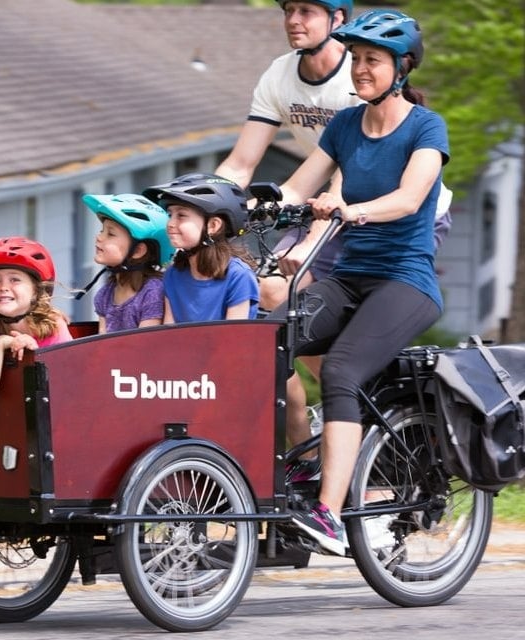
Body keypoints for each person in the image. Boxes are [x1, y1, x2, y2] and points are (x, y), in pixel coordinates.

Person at [215, 0, 452, 480]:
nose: (294, 20)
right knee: (267, 323)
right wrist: (215, 209)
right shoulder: (302, 90)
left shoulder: (395, 106)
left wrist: (323, 231)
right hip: (339, 219)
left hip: (393, 228)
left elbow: (376, 191)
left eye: (308, 10)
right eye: (289, 10)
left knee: (338, 355)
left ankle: (363, 434)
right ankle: (308, 450)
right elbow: (281, 181)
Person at [266, 8, 448, 556]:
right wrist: (248, 205)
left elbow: (410, 199)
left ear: (402, 68)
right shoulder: (345, 125)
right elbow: (297, 186)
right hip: (349, 276)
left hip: (405, 280)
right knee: (264, 343)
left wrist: (353, 210)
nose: (361, 69)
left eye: (374, 60)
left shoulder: (425, 127)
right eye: (358, 59)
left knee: (341, 369)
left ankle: (329, 513)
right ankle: (299, 467)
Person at [0, 236, 72, 404]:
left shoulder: (53, 325)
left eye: (15, 279)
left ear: (36, 290)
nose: (3, 287)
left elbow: (69, 384)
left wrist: (34, 354)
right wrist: (0, 344)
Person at [142, 173, 260, 323]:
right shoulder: (173, 274)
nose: (170, 223)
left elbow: (235, 335)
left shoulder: (238, 276)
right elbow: (169, 331)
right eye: (170, 215)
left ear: (213, 226)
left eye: (181, 215)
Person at [81, 193, 173, 333]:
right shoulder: (104, 295)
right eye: (102, 231)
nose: (99, 237)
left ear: (138, 250)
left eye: (110, 234)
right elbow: (102, 342)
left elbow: (147, 342)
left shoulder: (152, 292)